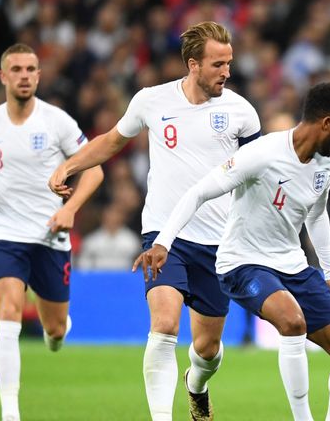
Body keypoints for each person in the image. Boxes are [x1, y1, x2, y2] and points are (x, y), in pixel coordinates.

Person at [49, 21, 260, 421]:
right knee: (164, 325)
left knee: (208, 350)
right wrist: (70, 165)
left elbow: (257, 176)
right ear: (193, 65)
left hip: (220, 242)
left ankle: (196, 384)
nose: (227, 72)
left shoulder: (242, 113)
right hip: (165, 235)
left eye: (229, 63)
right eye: (218, 64)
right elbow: (112, 140)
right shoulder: (151, 101)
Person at [135, 82, 330, 421]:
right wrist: (163, 241)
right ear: (326, 123)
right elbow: (198, 192)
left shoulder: (328, 165)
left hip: (293, 265)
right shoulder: (263, 153)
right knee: (292, 321)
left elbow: (317, 216)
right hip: (242, 263)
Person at [0, 43, 104, 421]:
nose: (24, 75)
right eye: (17, 69)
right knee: (8, 310)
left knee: (53, 330)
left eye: (31, 69)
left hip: (50, 235)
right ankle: (10, 413)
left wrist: (69, 209)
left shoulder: (57, 122)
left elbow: (95, 170)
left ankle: (58, 328)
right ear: (4, 76)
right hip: (5, 231)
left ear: (39, 75)